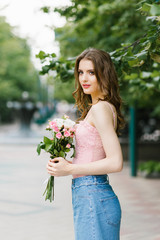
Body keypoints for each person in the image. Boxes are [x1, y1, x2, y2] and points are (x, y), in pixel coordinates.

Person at [47, 48, 125, 240]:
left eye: (91, 72)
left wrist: (70, 168)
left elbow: (116, 162)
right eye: (81, 72)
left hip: (93, 195)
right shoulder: (102, 107)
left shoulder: (100, 109)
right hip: (92, 195)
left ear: (104, 74)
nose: (84, 78)